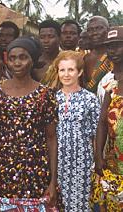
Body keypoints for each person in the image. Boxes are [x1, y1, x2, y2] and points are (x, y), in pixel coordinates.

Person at [0, 37, 63, 211]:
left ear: (32, 60)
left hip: (37, 172)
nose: (17, 63)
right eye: (12, 58)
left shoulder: (46, 94)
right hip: (3, 172)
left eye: (23, 57)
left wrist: (53, 181)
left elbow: (51, 138)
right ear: (7, 61)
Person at [53, 51, 100, 211]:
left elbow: (96, 134)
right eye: (62, 70)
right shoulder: (52, 99)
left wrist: (96, 161)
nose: (66, 74)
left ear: (79, 72)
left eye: (71, 70)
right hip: (57, 162)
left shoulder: (90, 99)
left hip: (82, 162)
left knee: (80, 204)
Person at [91, 26, 123, 211]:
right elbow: (102, 122)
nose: (113, 51)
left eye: (118, 46)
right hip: (113, 161)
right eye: (109, 47)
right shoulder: (109, 84)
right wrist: (98, 156)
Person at [84, 16, 113, 93]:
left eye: (99, 28)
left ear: (108, 29)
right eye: (90, 30)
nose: (94, 33)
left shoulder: (116, 56)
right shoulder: (83, 58)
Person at [32, 20, 61, 88]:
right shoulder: (34, 62)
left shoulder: (67, 60)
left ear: (59, 38)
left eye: (51, 36)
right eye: (42, 37)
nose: (46, 41)